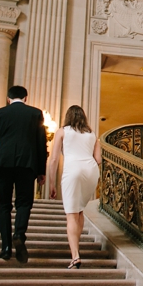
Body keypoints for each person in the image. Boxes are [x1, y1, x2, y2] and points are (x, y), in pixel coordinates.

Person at [0, 85, 47, 263]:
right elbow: (41, 144)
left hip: (2, 164)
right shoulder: (35, 114)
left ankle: (5, 247)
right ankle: (19, 233)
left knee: (3, 205)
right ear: (26, 98)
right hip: (27, 164)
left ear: (8, 98)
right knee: (24, 202)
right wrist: (41, 171)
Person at [47, 105, 101, 269]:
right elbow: (98, 159)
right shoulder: (92, 135)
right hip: (91, 171)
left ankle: (75, 255)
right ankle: (76, 247)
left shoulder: (62, 131)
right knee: (79, 210)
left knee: (71, 214)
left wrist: (51, 183)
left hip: (73, 170)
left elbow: (54, 158)